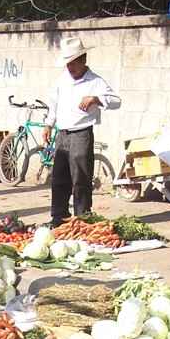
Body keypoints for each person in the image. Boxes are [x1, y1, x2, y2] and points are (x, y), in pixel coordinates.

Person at [44, 37, 121, 227]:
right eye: (68, 64)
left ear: (83, 60)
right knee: (59, 178)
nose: (70, 67)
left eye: (73, 63)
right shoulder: (62, 80)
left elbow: (116, 101)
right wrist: (48, 125)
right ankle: (59, 217)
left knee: (81, 178)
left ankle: (82, 217)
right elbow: (54, 104)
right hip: (62, 134)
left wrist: (96, 99)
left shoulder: (95, 81)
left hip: (81, 134)